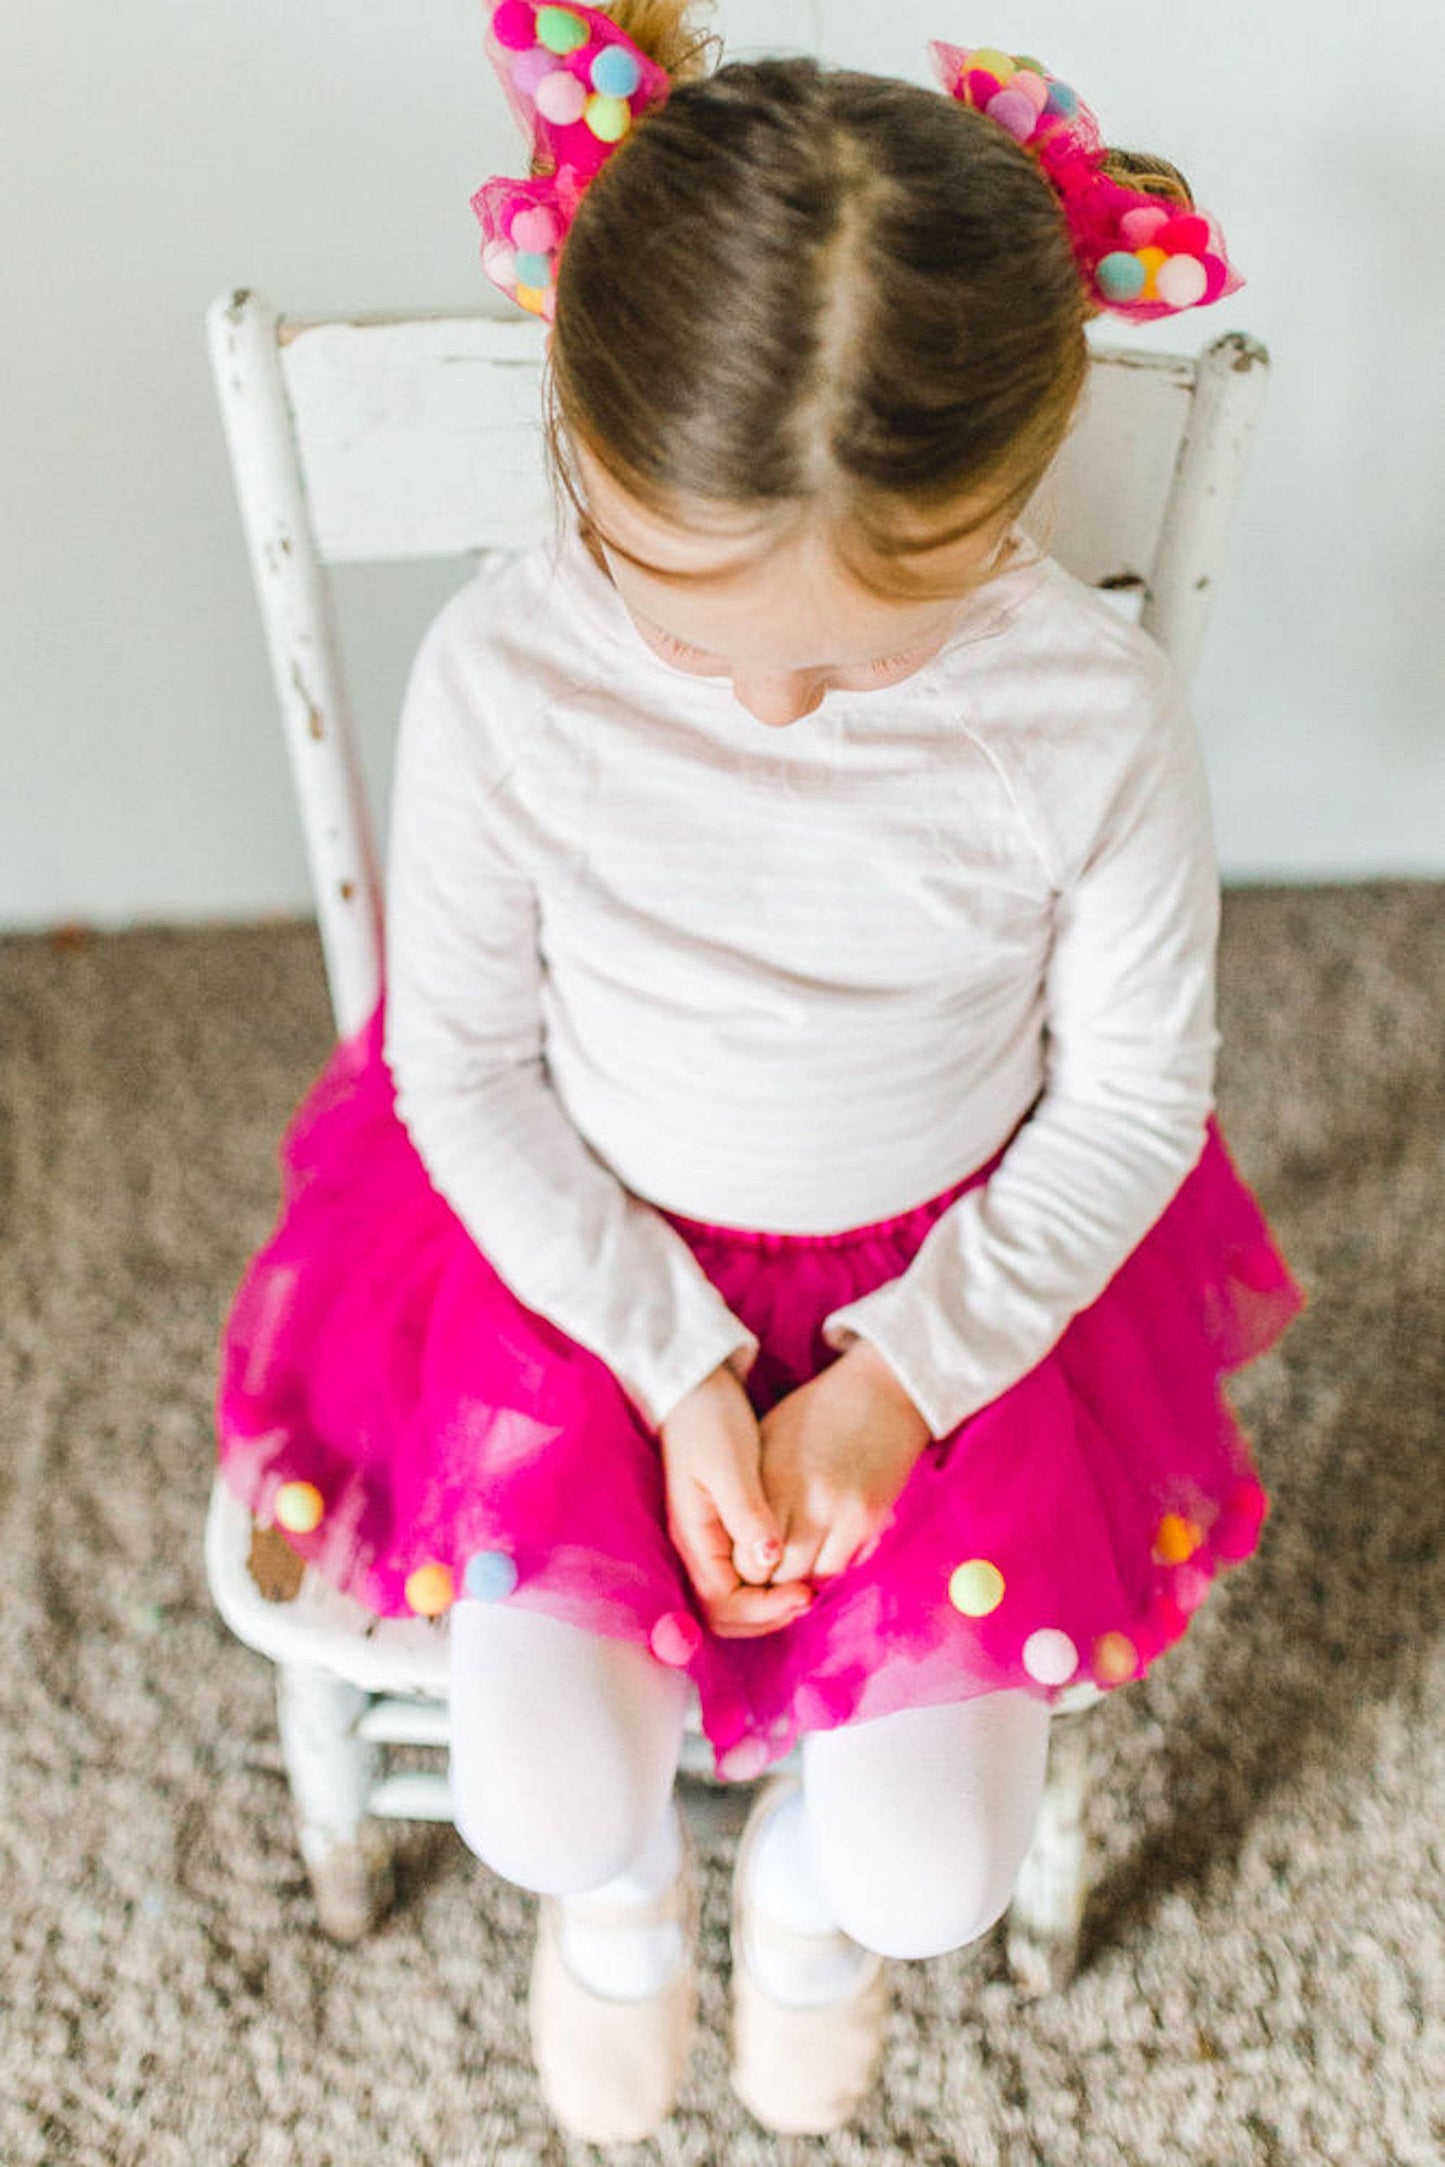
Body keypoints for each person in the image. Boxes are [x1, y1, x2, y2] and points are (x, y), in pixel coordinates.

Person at [216, 1, 1304, 2142]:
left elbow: (1130, 1098)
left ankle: (799, 1915)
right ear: (583, 459)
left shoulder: (1085, 719)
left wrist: (899, 1383)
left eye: (869, 646)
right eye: (698, 630)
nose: (784, 705)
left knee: (929, 1867)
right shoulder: (511, 675)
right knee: (547, 1798)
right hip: (570, 1260)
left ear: (1010, 493)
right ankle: (618, 1910)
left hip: (953, 1280)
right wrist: (679, 1367)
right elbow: (466, 1058)